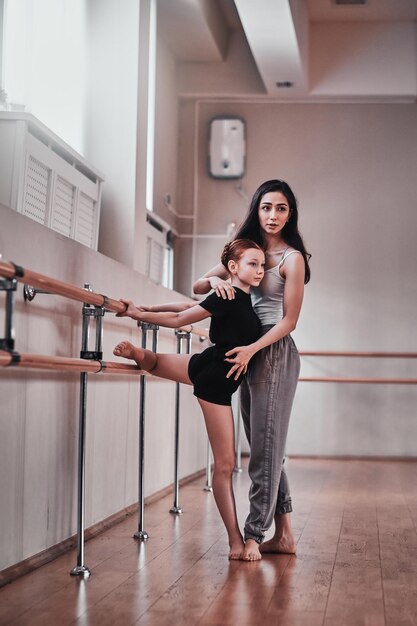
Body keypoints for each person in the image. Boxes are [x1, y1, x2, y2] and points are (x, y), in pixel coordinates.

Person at [113, 239, 265, 560]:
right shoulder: (229, 294)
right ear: (234, 267)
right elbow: (182, 319)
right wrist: (138, 313)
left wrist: (144, 309)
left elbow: (186, 308)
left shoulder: (237, 298)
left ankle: (141, 354)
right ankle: (235, 542)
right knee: (225, 466)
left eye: (262, 265)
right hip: (216, 384)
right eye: (253, 264)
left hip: (206, 363)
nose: (260, 270)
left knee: (155, 364)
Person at [193, 179, 311, 561]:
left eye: (280, 208)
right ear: (256, 210)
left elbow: (289, 321)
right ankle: (286, 534)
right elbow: (197, 286)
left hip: (270, 351)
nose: (272, 215)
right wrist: (215, 279)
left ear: (290, 213)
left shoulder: (292, 259)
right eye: (266, 207)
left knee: (264, 448)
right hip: (246, 353)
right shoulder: (248, 250)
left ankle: (253, 536)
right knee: (265, 444)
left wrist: (252, 350)